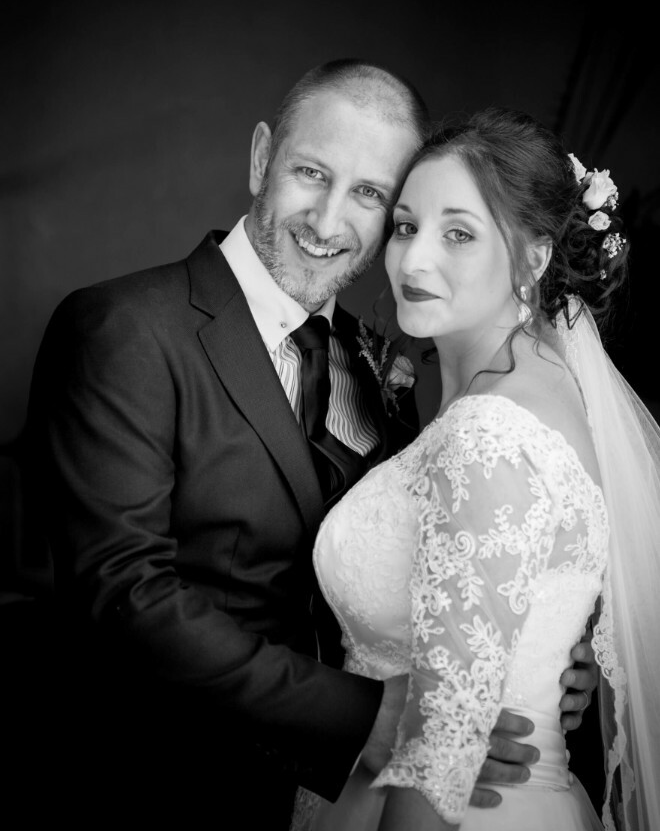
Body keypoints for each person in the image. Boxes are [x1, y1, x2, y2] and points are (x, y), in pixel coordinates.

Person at [24, 64, 597, 828]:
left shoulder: (372, 355)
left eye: (369, 195)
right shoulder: (126, 328)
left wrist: (544, 648)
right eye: (311, 173)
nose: (329, 220)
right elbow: (125, 595)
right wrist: (362, 716)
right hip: (169, 788)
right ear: (263, 159)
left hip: (332, 801)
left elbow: (440, 556)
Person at [291, 107, 660, 831]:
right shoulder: (546, 395)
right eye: (405, 226)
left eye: (458, 233)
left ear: (535, 257)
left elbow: (440, 763)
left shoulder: (489, 431)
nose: (413, 260)